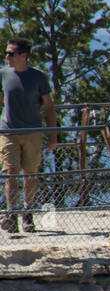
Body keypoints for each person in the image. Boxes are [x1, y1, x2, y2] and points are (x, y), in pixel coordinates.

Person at [1, 37, 57, 234]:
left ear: (23, 56)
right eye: (6, 52)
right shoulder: (3, 75)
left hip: (32, 131)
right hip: (8, 131)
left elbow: (49, 107)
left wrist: (53, 135)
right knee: (10, 172)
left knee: (30, 173)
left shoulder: (38, 77)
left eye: (11, 53)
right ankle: (11, 212)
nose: (7, 56)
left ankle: (28, 211)